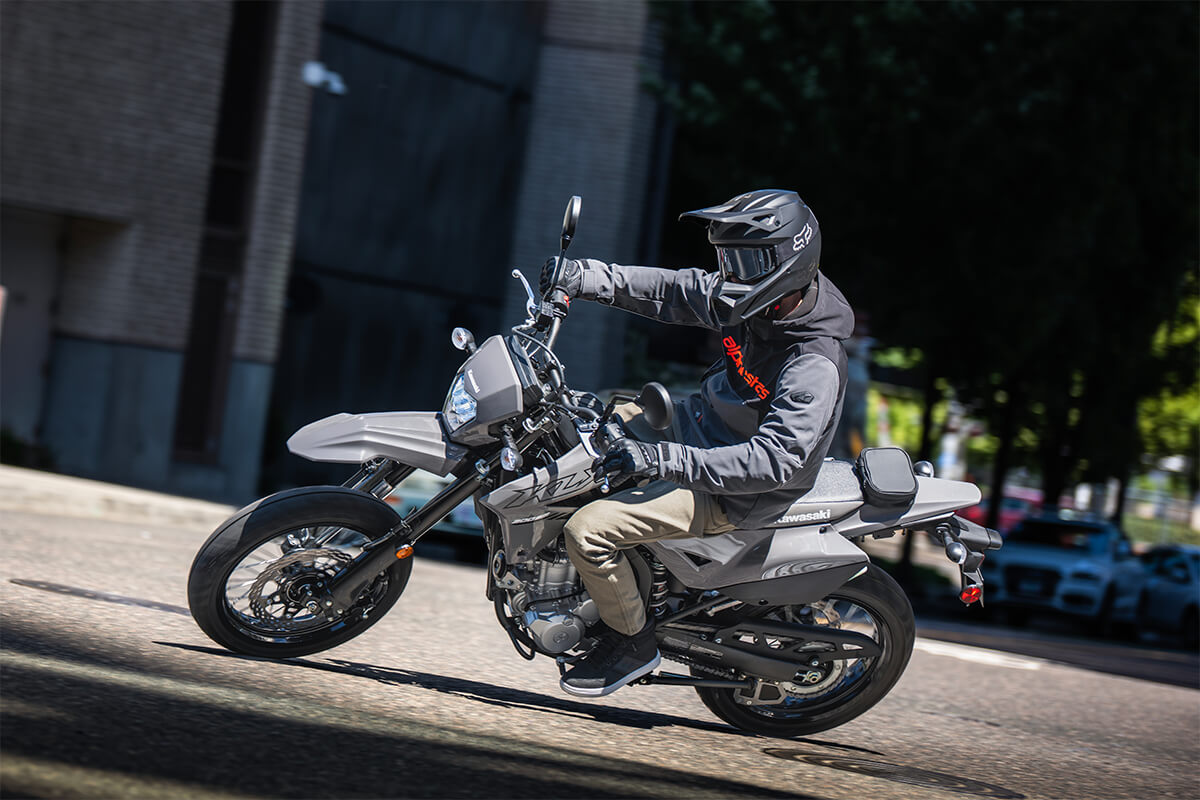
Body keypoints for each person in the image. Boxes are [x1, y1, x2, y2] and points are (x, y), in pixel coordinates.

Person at [539, 189, 854, 697]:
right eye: (727, 259)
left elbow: (772, 460)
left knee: (589, 531)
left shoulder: (811, 362)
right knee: (573, 425)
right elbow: (672, 291)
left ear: (790, 261)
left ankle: (632, 643)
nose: (730, 274)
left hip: (732, 491)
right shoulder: (756, 299)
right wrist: (585, 278)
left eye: (745, 260)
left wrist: (661, 458)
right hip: (691, 431)